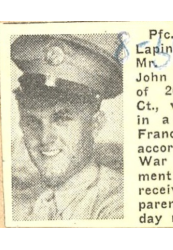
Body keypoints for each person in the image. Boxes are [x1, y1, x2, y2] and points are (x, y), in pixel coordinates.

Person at [11, 35, 123, 221]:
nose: (45, 138)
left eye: (61, 119)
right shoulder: (21, 204)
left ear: (95, 124)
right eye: (32, 121)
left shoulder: (117, 204)